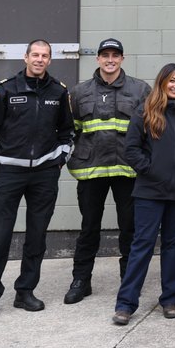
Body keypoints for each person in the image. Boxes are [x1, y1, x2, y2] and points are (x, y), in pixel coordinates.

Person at [0, 39, 73, 321]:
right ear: (26, 57)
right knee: (0, 237)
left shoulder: (59, 92)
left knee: (37, 237)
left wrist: (58, 161)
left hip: (44, 175)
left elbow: (68, 132)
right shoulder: (4, 90)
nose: (40, 59)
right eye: (35, 55)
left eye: (45, 56)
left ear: (50, 60)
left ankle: (25, 292)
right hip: (8, 174)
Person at [64, 38, 151, 306]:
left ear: (122, 58)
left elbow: (150, 130)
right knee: (89, 228)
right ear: (98, 59)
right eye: (105, 55)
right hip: (91, 172)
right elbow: (70, 131)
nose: (110, 60)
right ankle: (81, 280)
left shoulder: (140, 90)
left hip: (128, 172)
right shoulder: (79, 93)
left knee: (130, 229)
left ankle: (129, 279)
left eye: (115, 55)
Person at [113, 64, 175, 324]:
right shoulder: (145, 112)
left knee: (173, 247)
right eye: (172, 81)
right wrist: (150, 170)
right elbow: (131, 150)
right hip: (150, 192)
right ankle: (126, 304)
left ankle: (170, 299)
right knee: (142, 246)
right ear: (161, 82)